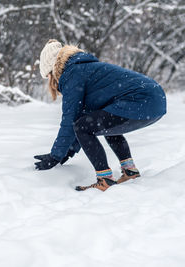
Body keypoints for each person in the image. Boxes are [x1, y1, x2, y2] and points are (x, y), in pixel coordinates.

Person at [34, 39, 166, 191]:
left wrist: (55, 156)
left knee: (83, 127)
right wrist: (67, 152)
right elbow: (81, 116)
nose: (51, 82)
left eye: (49, 76)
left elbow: (71, 119)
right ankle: (130, 171)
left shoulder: (72, 73)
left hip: (141, 99)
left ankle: (105, 179)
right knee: (103, 124)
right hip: (154, 100)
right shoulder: (82, 69)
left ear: (52, 69)